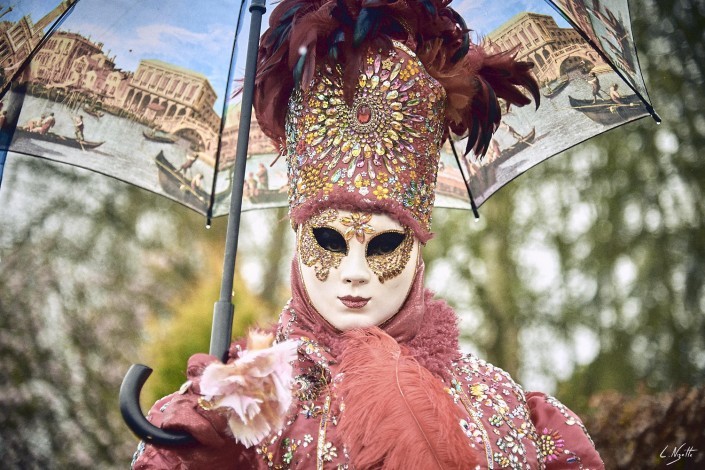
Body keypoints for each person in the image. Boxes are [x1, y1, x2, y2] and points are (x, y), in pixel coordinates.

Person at [132, 1, 603, 468]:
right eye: (329, 241)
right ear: (299, 240)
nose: (354, 273)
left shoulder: (507, 411)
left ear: (417, 247)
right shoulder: (231, 411)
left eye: (383, 244)